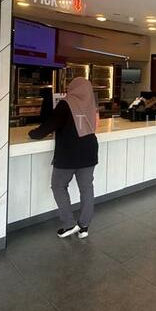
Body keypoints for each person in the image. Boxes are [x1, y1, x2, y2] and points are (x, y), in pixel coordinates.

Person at [29, 77, 99, 239]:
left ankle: (69, 224)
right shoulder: (90, 104)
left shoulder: (66, 104)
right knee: (87, 188)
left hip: (69, 151)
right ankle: (84, 226)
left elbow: (46, 128)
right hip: (89, 149)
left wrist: (33, 133)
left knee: (58, 186)